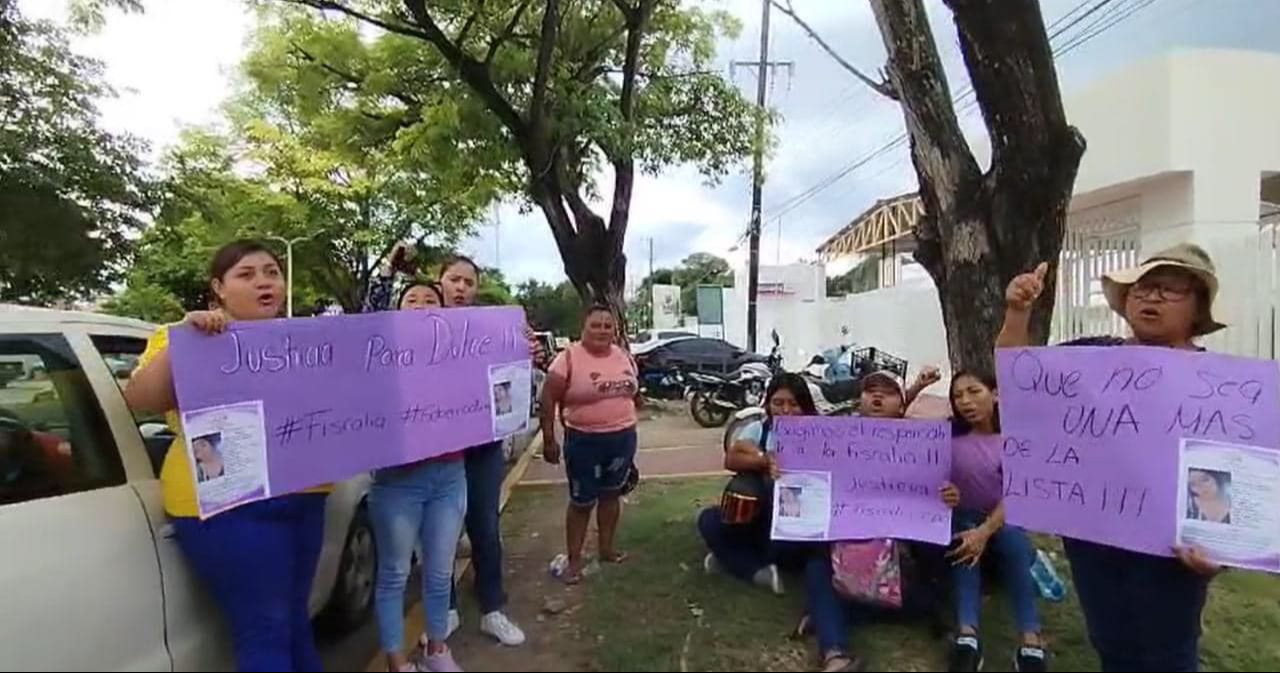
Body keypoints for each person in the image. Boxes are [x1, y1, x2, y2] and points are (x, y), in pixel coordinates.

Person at [997, 243, 1225, 672]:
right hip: (1093, 539)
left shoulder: (1217, 385)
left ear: (1198, 308)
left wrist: (1219, 550)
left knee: (1166, 652)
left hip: (1170, 552)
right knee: (1110, 643)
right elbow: (1017, 378)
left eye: (1168, 289)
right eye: (1141, 287)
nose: (1150, 296)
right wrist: (1017, 312)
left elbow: (1228, 469)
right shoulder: (1091, 356)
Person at [123, 239, 329, 672]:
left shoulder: (304, 341)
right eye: (246, 274)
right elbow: (140, 397)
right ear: (219, 287)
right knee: (264, 629)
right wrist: (187, 340)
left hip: (303, 496)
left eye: (271, 272)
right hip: (229, 506)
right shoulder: (186, 337)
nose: (264, 282)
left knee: (294, 620)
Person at [805, 369, 956, 672]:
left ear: (901, 405)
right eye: (869, 390)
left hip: (902, 559)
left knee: (933, 567)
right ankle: (835, 655)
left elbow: (933, 502)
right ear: (859, 399)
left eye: (885, 392)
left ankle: (836, 613)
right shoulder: (834, 437)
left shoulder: (923, 444)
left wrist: (949, 495)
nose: (876, 396)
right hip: (848, 551)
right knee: (815, 568)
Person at [364, 248, 466, 672]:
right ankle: (395, 661)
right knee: (394, 574)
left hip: (449, 475)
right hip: (397, 482)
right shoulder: (378, 352)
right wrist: (387, 269)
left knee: (440, 572)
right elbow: (369, 312)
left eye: (431, 301)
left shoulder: (457, 351)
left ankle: (437, 650)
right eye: (412, 301)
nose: (423, 306)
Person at [441, 254, 534, 647]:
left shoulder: (492, 330)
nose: (461, 288)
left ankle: (492, 608)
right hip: (437, 451)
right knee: (439, 535)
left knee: (485, 527)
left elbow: (509, 380)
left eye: (468, 282)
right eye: (454, 279)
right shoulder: (414, 323)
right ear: (439, 281)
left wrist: (526, 350)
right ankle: (442, 609)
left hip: (482, 445)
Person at [945, 371, 1046, 673]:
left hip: (1003, 522)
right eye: (958, 396)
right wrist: (945, 492)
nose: (965, 401)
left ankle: (1030, 639)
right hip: (962, 520)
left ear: (996, 394)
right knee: (962, 547)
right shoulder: (947, 437)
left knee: (1014, 541)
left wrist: (985, 532)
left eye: (973, 391)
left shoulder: (1015, 440)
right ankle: (967, 637)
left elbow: (1016, 494)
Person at [540, 305, 640, 583]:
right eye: (596, 325)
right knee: (582, 502)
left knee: (611, 494)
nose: (602, 330)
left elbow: (634, 391)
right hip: (583, 441)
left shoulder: (623, 356)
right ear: (583, 327)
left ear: (615, 330)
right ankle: (574, 560)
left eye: (608, 325)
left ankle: (606, 549)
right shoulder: (568, 358)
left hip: (622, 438)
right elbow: (547, 400)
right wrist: (549, 439)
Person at [697, 373, 820, 594]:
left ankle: (736, 561)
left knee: (784, 548)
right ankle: (752, 567)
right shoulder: (760, 429)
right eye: (778, 403)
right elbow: (732, 459)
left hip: (794, 523)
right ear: (768, 404)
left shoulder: (821, 434)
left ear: (805, 404)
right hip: (754, 520)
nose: (785, 410)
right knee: (708, 519)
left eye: (793, 404)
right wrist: (765, 460)